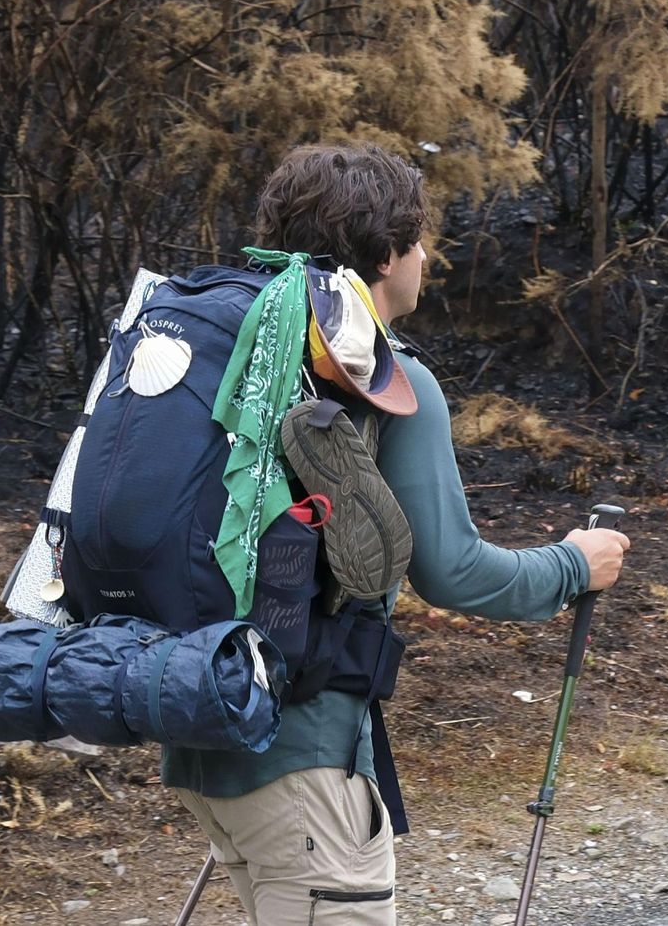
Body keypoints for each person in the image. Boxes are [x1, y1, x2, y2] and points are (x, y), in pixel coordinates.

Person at [163, 142, 630, 924]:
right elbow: (454, 572)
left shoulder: (232, 355)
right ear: (385, 256)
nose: (424, 257)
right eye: (416, 240)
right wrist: (571, 565)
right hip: (304, 757)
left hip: (201, 732)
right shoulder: (392, 382)